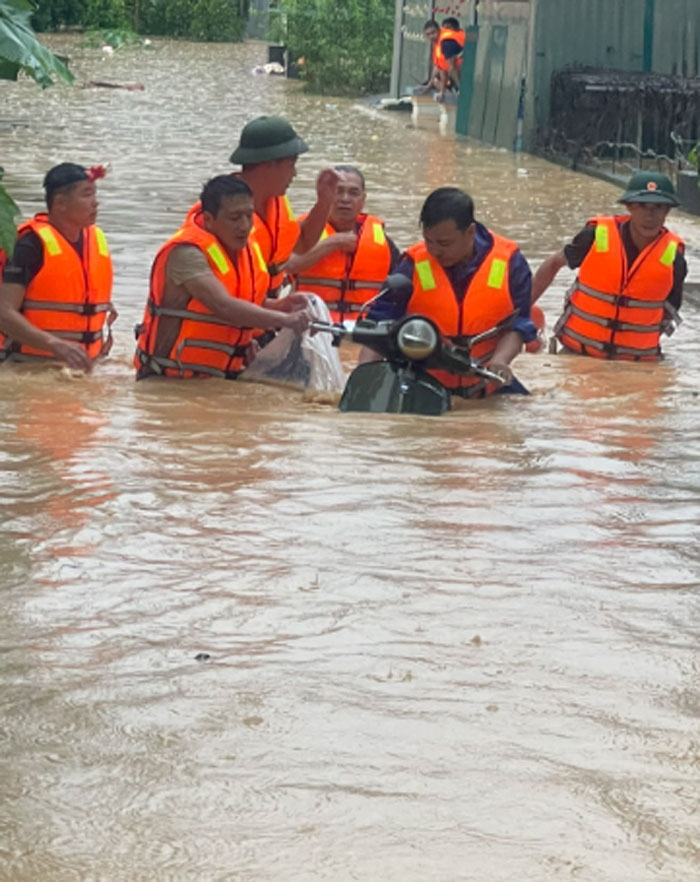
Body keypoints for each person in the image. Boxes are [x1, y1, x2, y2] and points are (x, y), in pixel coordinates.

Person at [358, 187, 535, 398]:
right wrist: (362, 381)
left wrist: (500, 361)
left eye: (444, 243)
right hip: (422, 388)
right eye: (428, 240)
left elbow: (519, 325)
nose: (435, 251)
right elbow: (378, 329)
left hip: (488, 386)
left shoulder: (510, 262)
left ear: (469, 232)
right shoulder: (411, 265)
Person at [133, 175, 311, 379]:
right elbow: (223, 305)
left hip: (219, 378)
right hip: (169, 380)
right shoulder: (186, 253)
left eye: (249, 215)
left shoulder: (244, 247)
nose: (244, 226)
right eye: (235, 218)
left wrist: (280, 306)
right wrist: (286, 320)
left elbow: (247, 301)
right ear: (209, 219)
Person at [532, 171, 686, 360]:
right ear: (629, 207)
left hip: (638, 365)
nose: (650, 215)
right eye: (642, 206)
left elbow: (670, 311)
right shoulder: (595, 234)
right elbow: (554, 264)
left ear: (668, 210)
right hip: (576, 354)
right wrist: (522, 310)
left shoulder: (675, 258)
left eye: (659, 207)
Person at [0, 162, 116, 371]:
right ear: (60, 202)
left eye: (94, 194)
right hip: (30, 367)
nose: (95, 203)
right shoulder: (30, 244)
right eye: (86, 195)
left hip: (87, 366)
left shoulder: (96, 238)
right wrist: (54, 344)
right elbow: (3, 313)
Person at [227, 115, 340, 296]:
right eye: (291, 164)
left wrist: (324, 201)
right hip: (240, 312)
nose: (294, 173)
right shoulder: (222, 208)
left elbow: (302, 244)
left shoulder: (278, 201)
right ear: (269, 164)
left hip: (268, 306)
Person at [286, 165, 401, 324]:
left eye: (353, 193)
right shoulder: (304, 230)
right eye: (338, 191)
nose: (345, 199)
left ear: (363, 200)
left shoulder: (383, 242)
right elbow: (289, 265)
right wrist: (334, 242)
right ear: (326, 195)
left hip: (365, 331)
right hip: (311, 326)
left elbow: (401, 286)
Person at [433, 17, 466, 100]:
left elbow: (451, 67)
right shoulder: (441, 42)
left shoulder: (448, 42)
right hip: (450, 76)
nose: (445, 30)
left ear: (455, 28)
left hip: (462, 72)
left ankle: (460, 89)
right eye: (444, 28)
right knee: (436, 78)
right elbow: (441, 68)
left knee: (451, 68)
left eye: (448, 28)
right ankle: (451, 90)